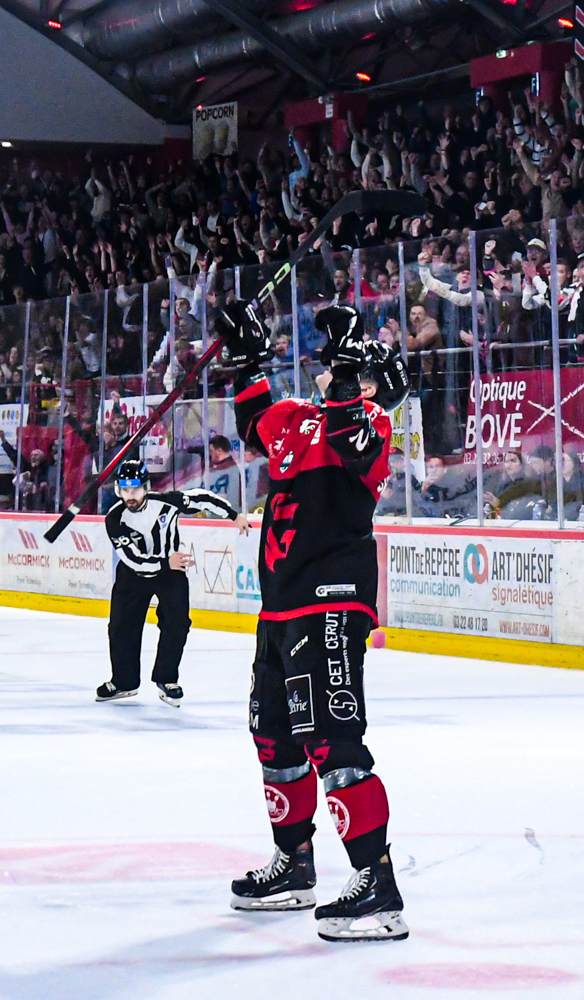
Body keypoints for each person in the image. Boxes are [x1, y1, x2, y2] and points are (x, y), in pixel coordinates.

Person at [217, 299, 412, 942]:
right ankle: (294, 866)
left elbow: (354, 439)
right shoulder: (301, 419)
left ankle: (377, 888)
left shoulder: (371, 422)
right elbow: (256, 421)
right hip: (280, 605)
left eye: (357, 368)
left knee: (332, 736)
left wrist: (349, 367)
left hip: (329, 598)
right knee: (272, 735)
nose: (334, 373)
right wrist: (248, 354)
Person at [95, 458, 249, 705]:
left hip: (171, 571)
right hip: (135, 575)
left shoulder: (165, 503)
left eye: (135, 489)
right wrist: (165, 562)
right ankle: (123, 681)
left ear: (146, 487)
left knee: (177, 623)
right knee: (121, 627)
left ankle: (167, 679)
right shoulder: (115, 519)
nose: (130, 495)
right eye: (125, 489)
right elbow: (132, 558)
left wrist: (233, 515)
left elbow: (202, 498)